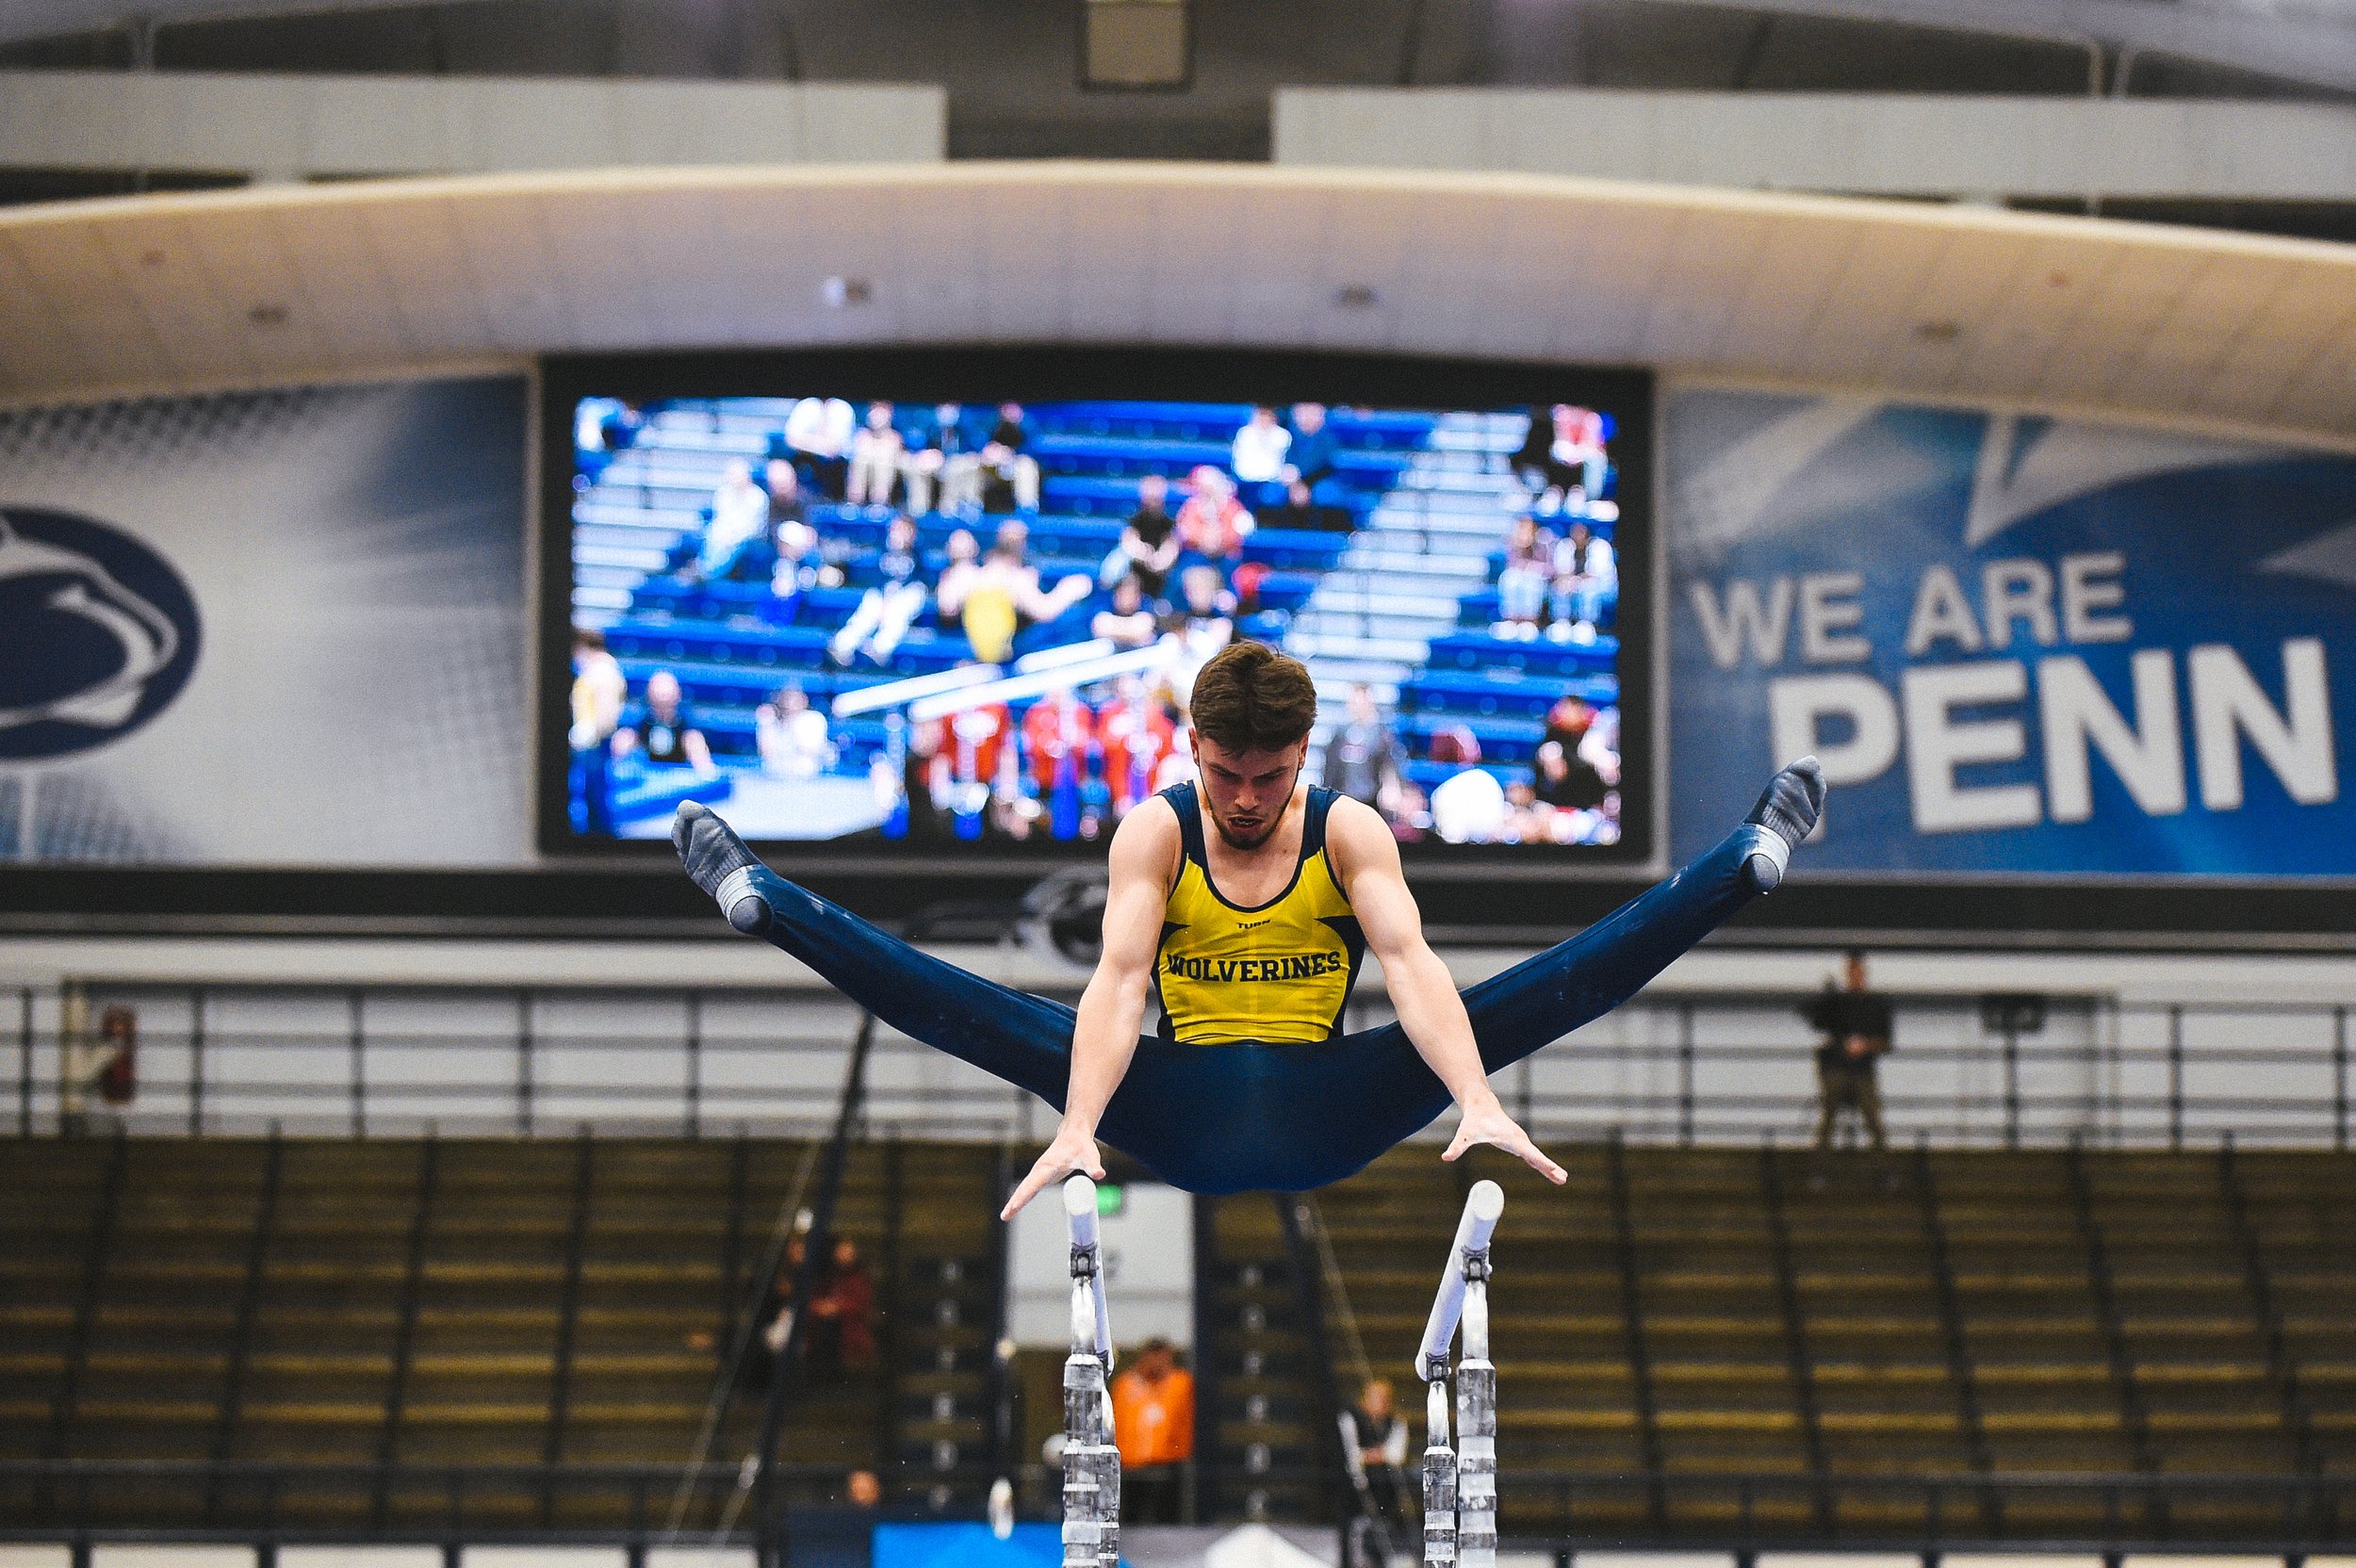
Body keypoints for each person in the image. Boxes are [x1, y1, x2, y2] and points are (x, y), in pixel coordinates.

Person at [672, 641, 1826, 1201]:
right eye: (1223, 771)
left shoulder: (1350, 830)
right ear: (1190, 749)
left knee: (1529, 995)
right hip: (1174, 1106)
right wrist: (1080, 1125)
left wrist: (1473, 1095)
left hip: (1333, 1107)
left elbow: (1410, 966)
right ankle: (767, 899)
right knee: (989, 1014)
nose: (1241, 797)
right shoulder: (1153, 832)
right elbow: (1117, 986)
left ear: (1301, 759)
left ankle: (1746, 859)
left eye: (1266, 777)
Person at [1804, 951, 1893, 1152]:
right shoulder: (1837, 1003)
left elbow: (1886, 1043)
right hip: (1836, 1066)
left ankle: (1882, 1154)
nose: (1855, 976)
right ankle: (1821, 1153)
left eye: (1858, 972)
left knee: (1872, 1113)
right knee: (1829, 1110)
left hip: (1863, 1069)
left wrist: (1865, 1045)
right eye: (1851, 972)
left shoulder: (1876, 1005)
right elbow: (1819, 1023)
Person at [1110, 1338, 1194, 1524]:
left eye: (1161, 1355)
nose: (1156, 1361)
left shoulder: (1180, 1383)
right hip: (1131, 1464)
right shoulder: (1126, 1384)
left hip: (1168, 1462)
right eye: (1152, 1355)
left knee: (1166, 1517)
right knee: (1131, 1517)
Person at [831, 514, 929, 667]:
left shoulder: (917, 551)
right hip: (883, 594)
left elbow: (920, 579)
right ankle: (842, 645)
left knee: (898, 614)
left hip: (905, 595)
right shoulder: (885, 548)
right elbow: (878, 579)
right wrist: (885, 598)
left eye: (905, 530)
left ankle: (880, 649)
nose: (900, 534)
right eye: (896, 529)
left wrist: (893, 599)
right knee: (868, 609)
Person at [569, 627, 626, 835]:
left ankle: (601, 837)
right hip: (588, 741)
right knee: (589, 794)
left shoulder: (604, 671)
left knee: (596, 796)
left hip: (595, 742)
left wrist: (588, 735)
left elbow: (605, 716)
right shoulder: (593, 670)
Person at [1321, 684, 1403, 822]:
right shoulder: (1341, 734)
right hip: (1343, 800)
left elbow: (1388, 766)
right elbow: (1330, 770)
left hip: (1369, 801)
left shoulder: (1381, 734)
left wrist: (1391, 787)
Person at [804, 1234, 878, 1383]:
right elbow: (813, 1297)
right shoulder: (827, 1274)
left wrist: (837, 1308)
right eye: (841, 1251)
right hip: (821, 1327)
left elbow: (861, 1304)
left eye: (848, 1251)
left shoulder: (859, 1276)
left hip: (849, 1329)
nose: (844, 1255)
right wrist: (821, 1306)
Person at [1339, 1377, 1410, 1534]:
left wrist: (1371, 1455)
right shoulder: (1350, 1418)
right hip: (1354, 1480)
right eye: (1376, 1399)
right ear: (1365, 1399)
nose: (1382, 1404)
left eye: (1386, 1399)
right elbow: (1351, 1454)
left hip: (1384, 1482)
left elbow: (1397, 1455)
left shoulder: (1396, 1422)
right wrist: (1378, 1454)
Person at [616, 671, 714, 776]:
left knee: (694, 740)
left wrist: (704, 769)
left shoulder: (687, 727)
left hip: (677, 775)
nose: (663, 709)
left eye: (667, 703)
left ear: (677, 697)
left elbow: (703, 762)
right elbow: (621, 750)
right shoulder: (639, 724)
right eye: (658, 702)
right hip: (645, 775)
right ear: (649, 697)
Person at [1108, 472, 1181, 596]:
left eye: (1156, 497)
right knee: (1115, 564)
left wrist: (1161, 560)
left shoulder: (1169, 521)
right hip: (1137, 564)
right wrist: (1143, 553)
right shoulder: (1134, 518)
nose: (1153, 501)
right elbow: (1129, 541)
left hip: (1160, 569)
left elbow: (1171, 545)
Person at [696, 459, 770, 580]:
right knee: (712, 538)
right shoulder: (723, 493)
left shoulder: (758, 498)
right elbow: (719, 520)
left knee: (730, 547)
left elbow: (751, 528)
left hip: (747, 538)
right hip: (724, 534)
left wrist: (731, 537)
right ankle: (703, 568)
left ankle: (708, 574)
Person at [1548, 520, 1616, 644]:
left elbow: (1598, 574)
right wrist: (1570, 581)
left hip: (1602, 586)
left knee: (1588, 588)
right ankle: (1562, 622)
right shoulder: (1565, 545)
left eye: (1581, 531)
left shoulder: (1600, 546)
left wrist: (1577, 580)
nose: (1578, 534)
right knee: (1561, 586)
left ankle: (1586, 623)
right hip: (1574, 582)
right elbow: (1561, 571)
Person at [1175, 466, 1253, 566]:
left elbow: (1239, 532)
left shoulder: (1233, 507)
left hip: (1226, 554)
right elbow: (1185, 530)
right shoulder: (1191, 507)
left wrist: (1220, 541)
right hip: (1197, 553)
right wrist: (1203, 539)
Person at [757, 684, 835, 780]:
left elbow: (809, 750)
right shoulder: (773, 722)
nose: (788, 704)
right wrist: (766, 722)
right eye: (785, 699)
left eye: (793, 699)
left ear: (804, 700)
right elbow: (766, 753)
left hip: (807, 775)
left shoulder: (813, 719)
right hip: (777, 775)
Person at [784, 395, 855, 498]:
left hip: (836, 463)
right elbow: (791, 439)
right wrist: (820, 444)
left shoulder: (843, 408)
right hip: (806, 458)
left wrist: (808, 440)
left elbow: (835, 447)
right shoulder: (805, 405)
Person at [1496, 514, 1551, 636]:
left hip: (1538, 579)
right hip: (1520, 577)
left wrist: (1533, 567)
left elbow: (1550, 569)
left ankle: (1530, 621)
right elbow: (1511, 564)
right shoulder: (1514, 543)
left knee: (1531, 581)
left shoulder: (1544, 542)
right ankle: (1511, 620)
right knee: (1509, 579)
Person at [1230, 404, 1292, 504]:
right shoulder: (1245, 433)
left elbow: (1281, 465)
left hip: (1273, 481)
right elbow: (1239, 461)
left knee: (1272, 493)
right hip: (1245, 479)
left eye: (1267, 416)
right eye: (1261, 416)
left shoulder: (1283, 436)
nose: (1264, 420)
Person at [846, 401, 904, 505]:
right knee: (860, 460)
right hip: (866, 461)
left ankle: (879, 502)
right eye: (874, 410)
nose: (877, 416)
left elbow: (897, 454)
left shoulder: (894, 437)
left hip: (889, 464)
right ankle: (854, 501)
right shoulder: (862, 435)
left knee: (882, 462)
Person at [1282, 401, 1339, 498]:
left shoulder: (1330, 439)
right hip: (1290, 482)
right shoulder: (1286, 436)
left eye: (1312, 411)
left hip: (1320, 479)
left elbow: (1324, 464)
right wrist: (1294, 483)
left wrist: (1298, 477)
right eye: (1302, 411)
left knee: (1325, 492)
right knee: (1272, 492)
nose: (1307, 417)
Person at [1091, 575, 1160, 650]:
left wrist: (1114, 631)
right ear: (1115, 595)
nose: (1127, 599)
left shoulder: (1146, 612)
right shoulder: (1104, 610)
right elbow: (1101, 626)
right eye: (1123, 594)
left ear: (1138, 597)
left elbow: (1143, 628)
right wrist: (1130, 632)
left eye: (1131, 594)